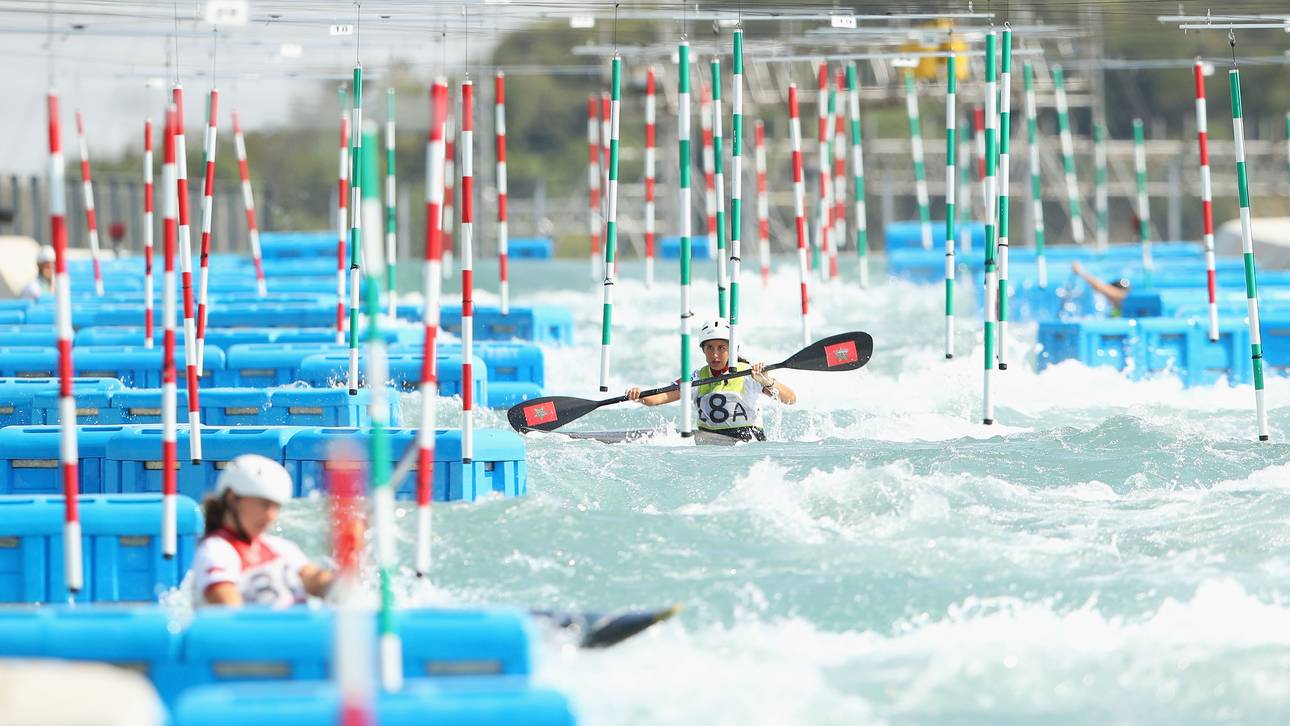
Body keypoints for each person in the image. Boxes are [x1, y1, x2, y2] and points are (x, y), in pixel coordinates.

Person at [189, 454, 334, 607]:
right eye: (264, 505)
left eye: (276, 507)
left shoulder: (279, 547)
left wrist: (343, 575)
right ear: (232, 498)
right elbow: (229, 613)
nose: (271, 516)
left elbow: (314, 579)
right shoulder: (216, 550)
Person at [625, 319, 796, 441]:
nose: (715, 354)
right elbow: (660, 397)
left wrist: (767, 381)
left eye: (721, 348)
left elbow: (790, 399)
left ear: (731, 349)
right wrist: (639, 395)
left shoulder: (749, 374)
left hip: (747, 441)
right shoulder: (696, 378)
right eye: (709, 348)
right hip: (710, 442)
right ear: (703, 350)